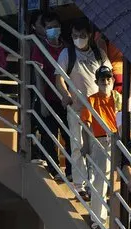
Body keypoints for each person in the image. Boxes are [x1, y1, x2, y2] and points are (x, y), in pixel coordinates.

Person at [55, 18, 111, 201]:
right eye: (75, 36)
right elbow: (59, 79)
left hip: (97, 110)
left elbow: (108, 77)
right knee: (78, 146)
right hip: (77, 108)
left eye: (83, 36)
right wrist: (65, 95)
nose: (79, 39)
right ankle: (79, 185)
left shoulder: (99, 53)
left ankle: (95, 184)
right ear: (71, 36)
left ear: (89, 36)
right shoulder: (66, 54)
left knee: (96, 148)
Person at [80, 65, 122, 229]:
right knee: (100, 182)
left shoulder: (118, 97)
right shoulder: (91, 100)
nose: (105, 81)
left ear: (112, 80)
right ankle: (98, 220)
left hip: (118, 140)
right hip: (101, 141)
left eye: (108, 78)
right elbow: (86, 124)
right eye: (102, 79)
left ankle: (117, 219)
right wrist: (86, 144)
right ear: (97, 81)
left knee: (118, 181)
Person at [30, 11, 68, 179]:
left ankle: (72, 171)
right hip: (49, 98)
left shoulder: (66, 47)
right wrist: (43, 102)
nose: (54, 29)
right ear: (44, 29)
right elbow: (38, 77)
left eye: (56, 26)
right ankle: (54, 169)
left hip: (66, 99)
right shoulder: (40, 48)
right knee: (49, 134)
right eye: (50, 27)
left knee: (69, 135)